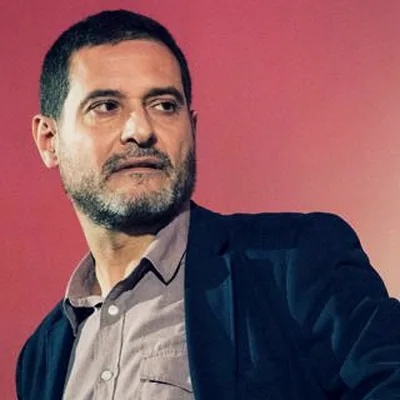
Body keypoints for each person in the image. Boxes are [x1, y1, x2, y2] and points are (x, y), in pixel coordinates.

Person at [16, 9, 400, 400]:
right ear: (49, 141)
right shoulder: (40, 356)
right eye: (106, 106)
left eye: (164, 105)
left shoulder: (299, 262)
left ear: (192, 128)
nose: (141, 130)